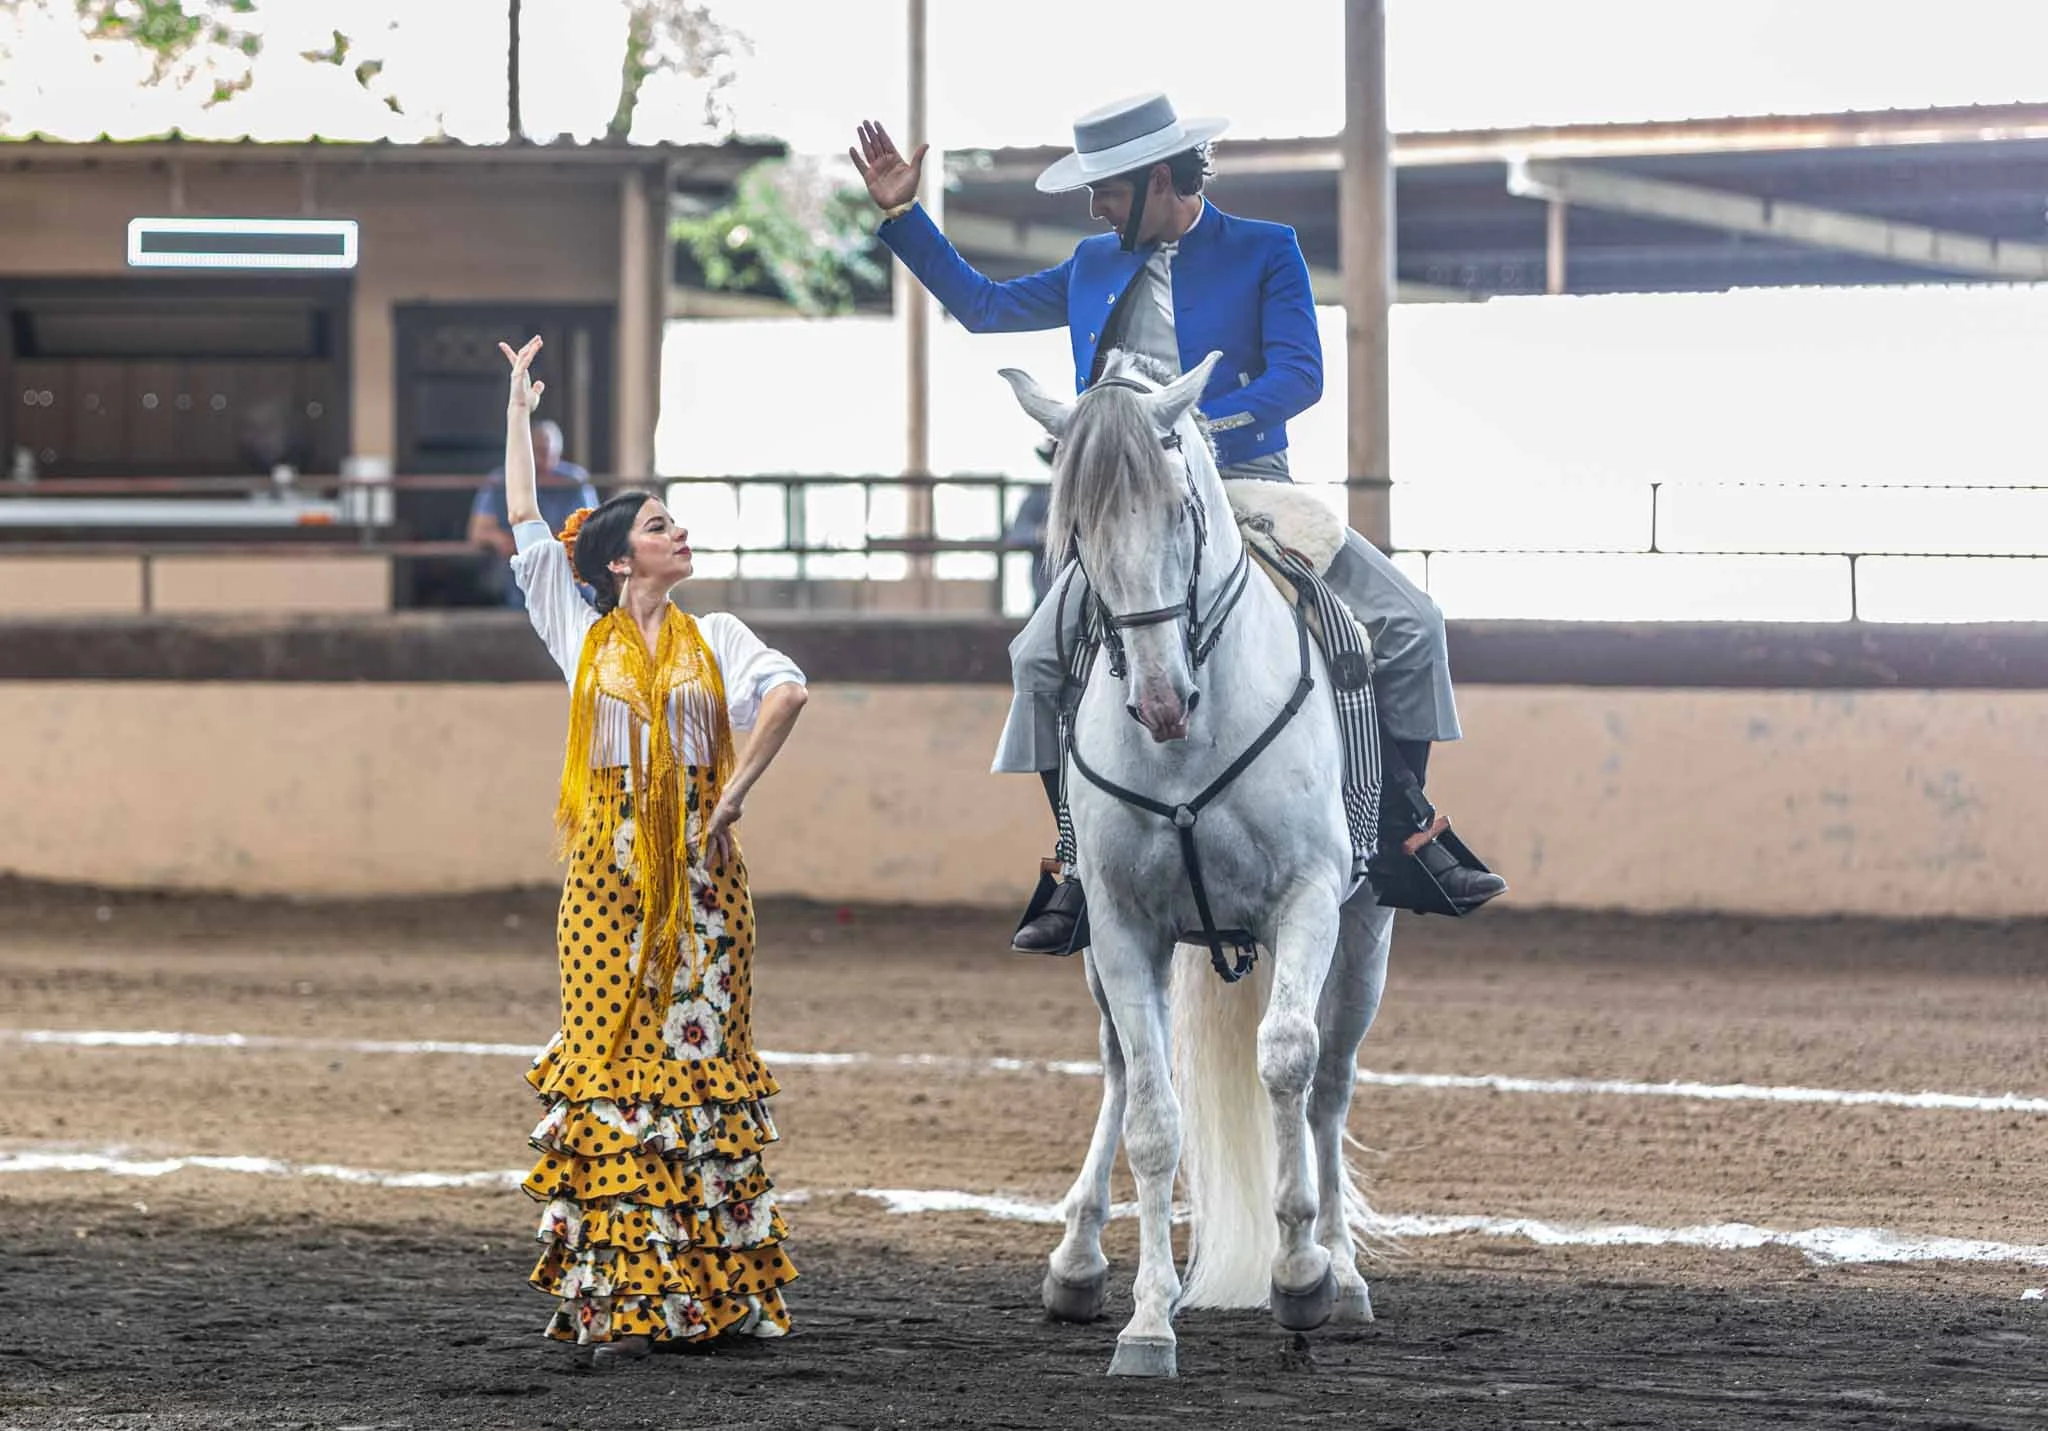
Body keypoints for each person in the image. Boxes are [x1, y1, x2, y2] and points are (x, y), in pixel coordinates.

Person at [851, 94, 1506, 952]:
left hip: (1247, 489)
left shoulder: (1266, 250)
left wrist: (1199, 433)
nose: (1094, 208)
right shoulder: (1090, 263)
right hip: (1132, 512)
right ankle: (1076, 857)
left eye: (1107, 191)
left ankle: (1401, 822)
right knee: (1037, 657)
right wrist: (903, 213)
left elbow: (1299, 377)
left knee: (1414, 623)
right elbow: (982, 307)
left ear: (1159, 179)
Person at [497, 335, 808, 1362]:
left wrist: (735, 795)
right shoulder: (575, 630)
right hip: (604, 876)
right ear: (620, 557)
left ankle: (716, 1299)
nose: (681, 535)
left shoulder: (715, 634)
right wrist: (516, 403)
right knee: (610, 1066)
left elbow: (789, 695)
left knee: (701, 1066)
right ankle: (624, 1299)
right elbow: (522, 517)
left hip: (704, 877)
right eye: (662, 526)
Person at [472, 417, 598, 609]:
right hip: (516, 571)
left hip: (563, 570)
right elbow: (478, 532)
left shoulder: (573, 481)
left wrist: (552, 542)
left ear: (558, 453)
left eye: (548, 453)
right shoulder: (500, 480)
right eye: (537, 451)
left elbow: (592, 529)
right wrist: (499, 539)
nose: (543, 460)